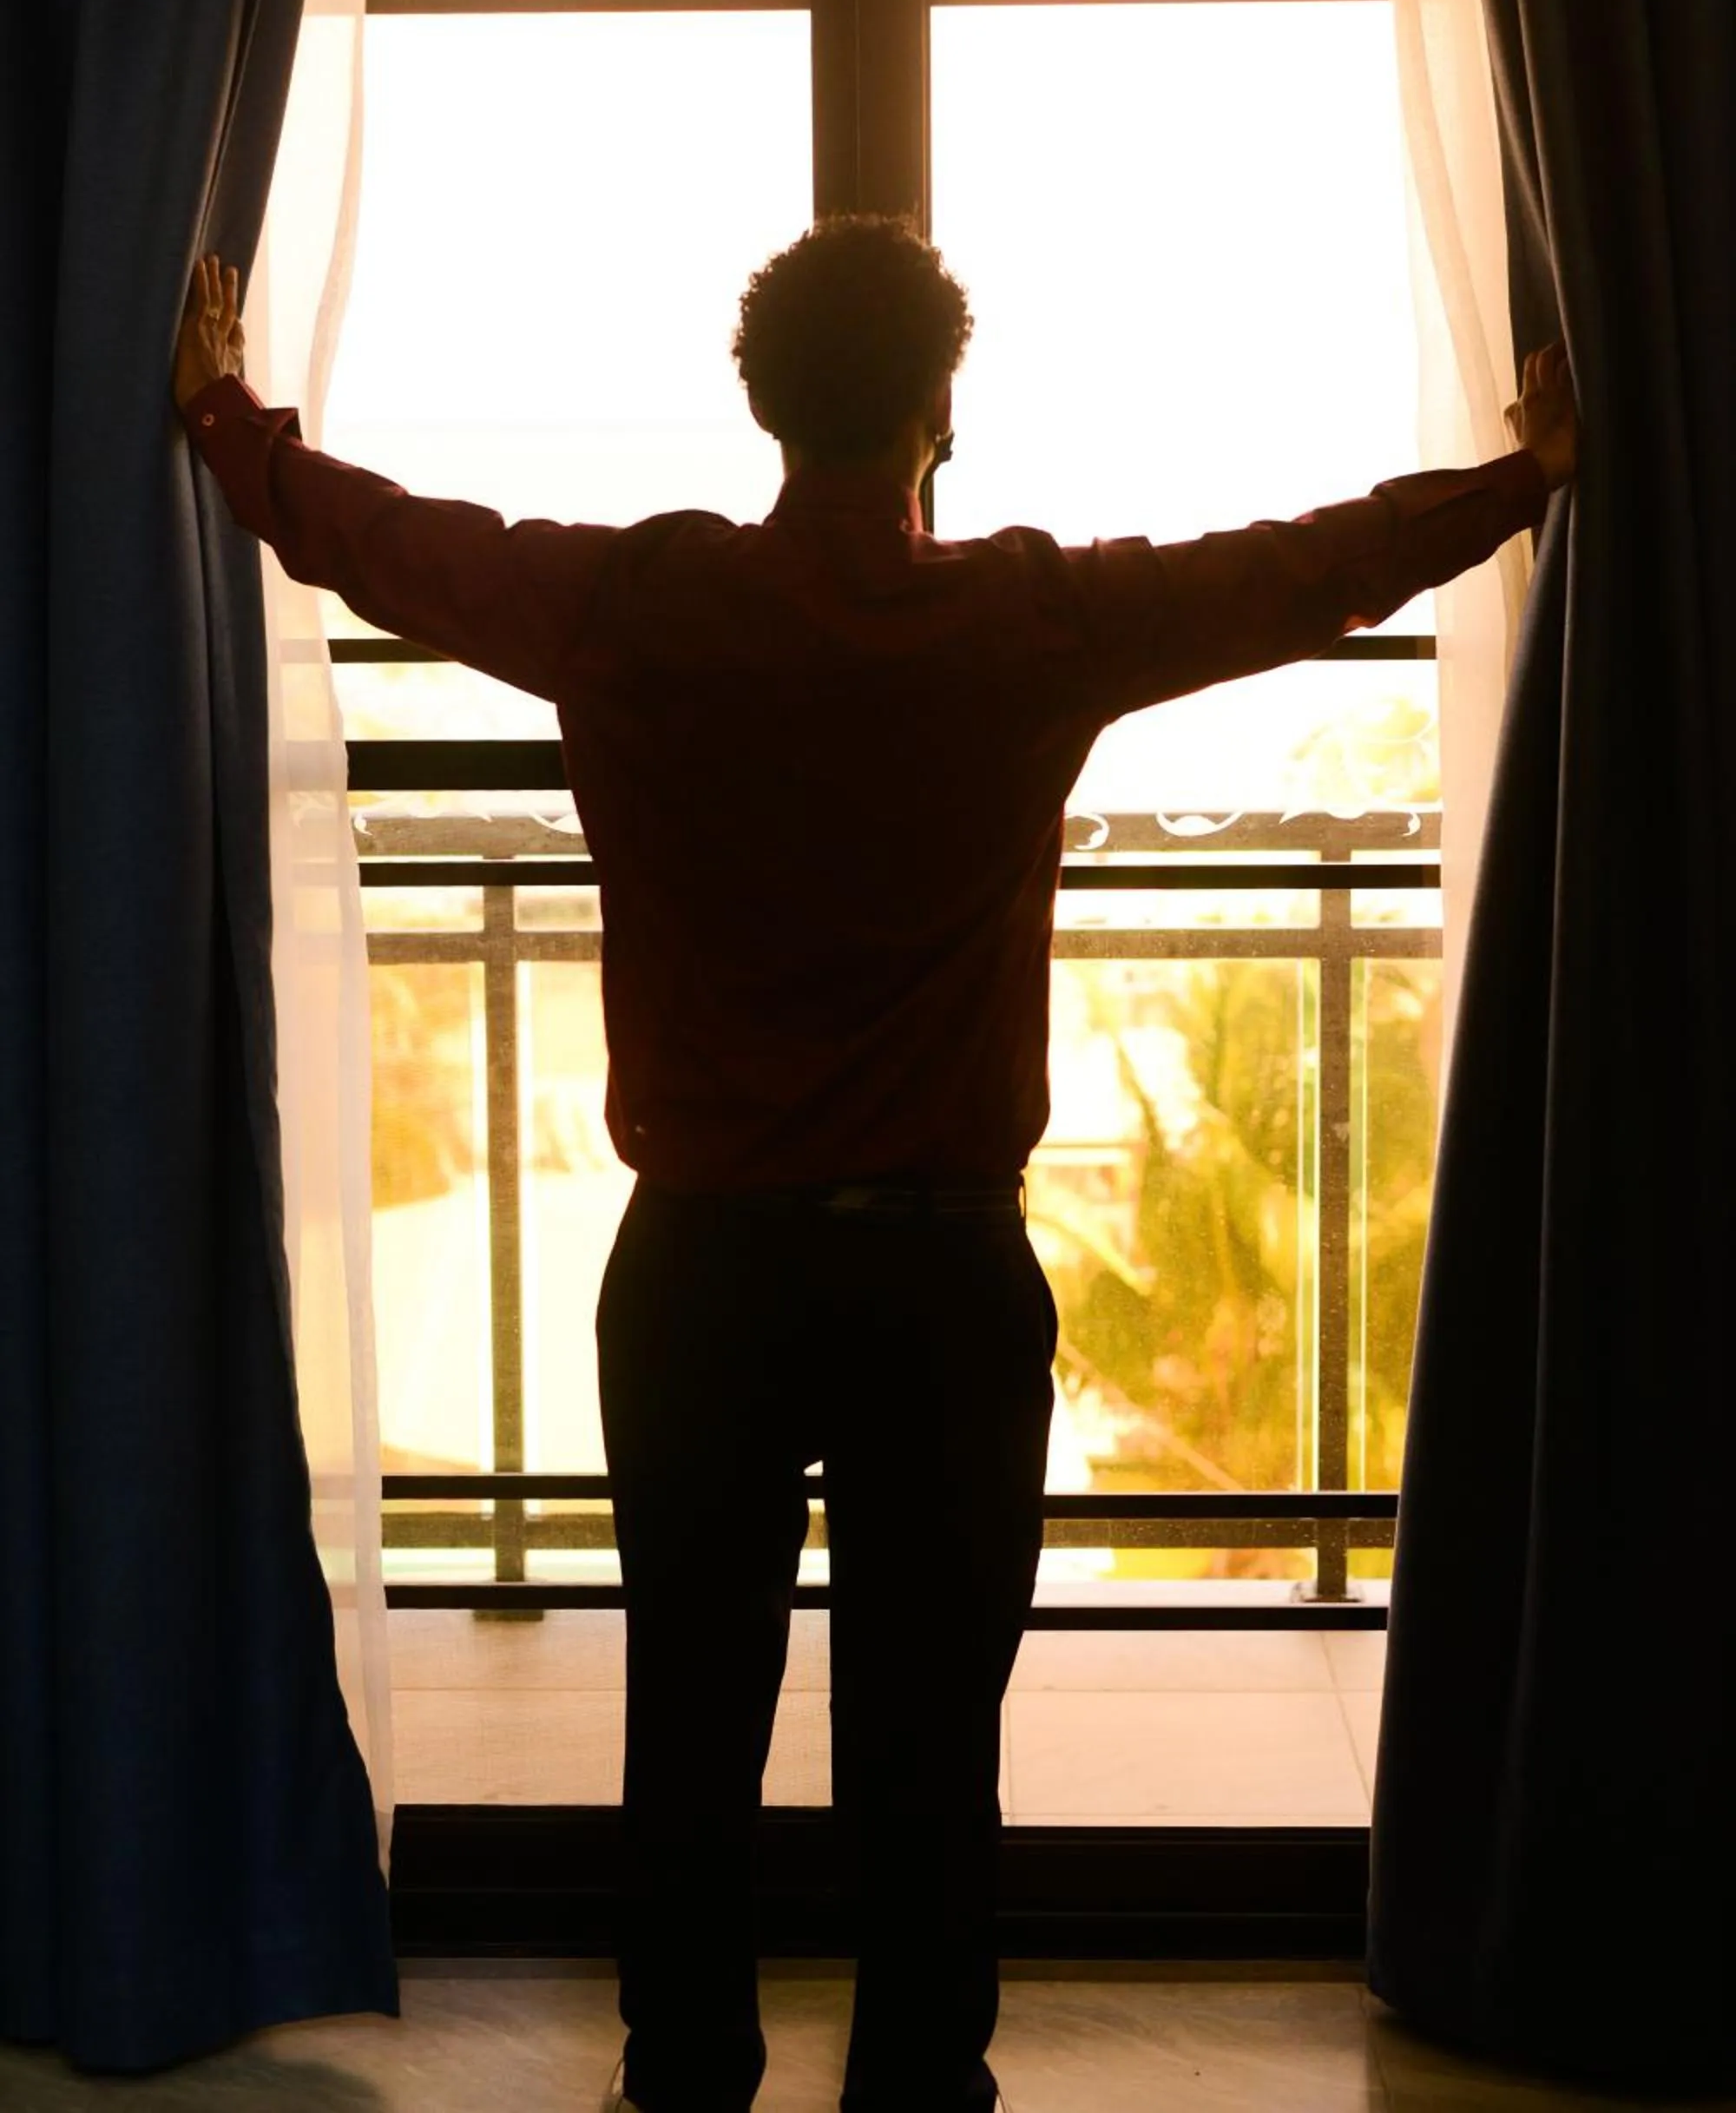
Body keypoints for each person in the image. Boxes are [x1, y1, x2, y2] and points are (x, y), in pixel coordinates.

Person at [173, 219, 1576, 2113]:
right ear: (940, 411)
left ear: (761, 404)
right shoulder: (1028, 619)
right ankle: (918, 2088)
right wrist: (1519, 477)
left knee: (690, 1718)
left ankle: (687, 2076)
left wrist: (225, 415)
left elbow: (382, 536)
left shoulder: (637, 604)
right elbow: (1294, 569)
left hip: (703, 1271)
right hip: (942, 1275)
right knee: (928, 1746)